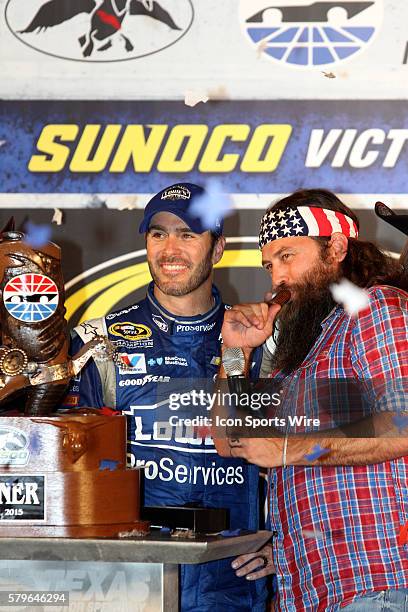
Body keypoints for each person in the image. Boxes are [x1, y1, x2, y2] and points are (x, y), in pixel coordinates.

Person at [63, 183, 267, 612]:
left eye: (188, 234)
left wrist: (283, 546)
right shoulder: (97, 341)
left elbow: (288, 461)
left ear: (217, 250)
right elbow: (65, 468)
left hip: (229, 582)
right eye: (158, 234)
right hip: (123, 582)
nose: (170, 248)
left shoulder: (257, 344)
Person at [214, 189, 408, 610]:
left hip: (378, 582)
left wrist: (287, 449)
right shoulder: (300, 349)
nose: (276, 277)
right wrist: (236, 353)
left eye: (288, 256)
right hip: (313, 586)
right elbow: (234, 442)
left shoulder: (377, 309)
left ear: (336, 247)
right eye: (269, 265)